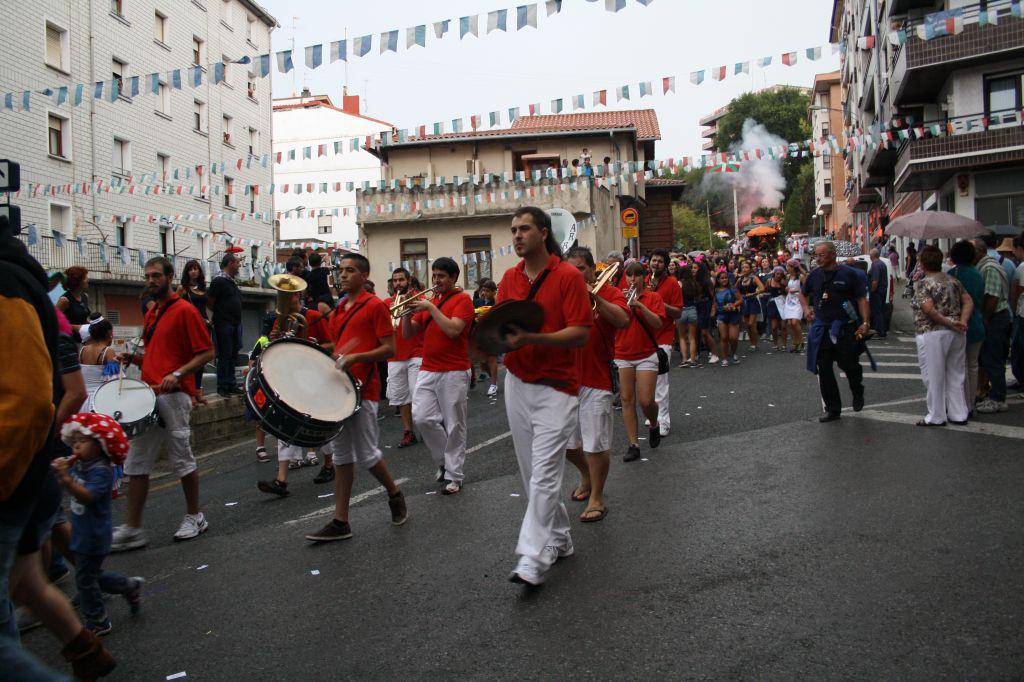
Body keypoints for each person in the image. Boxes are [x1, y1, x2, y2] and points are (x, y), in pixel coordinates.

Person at [1, 220, 116, 680]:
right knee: (25, 581)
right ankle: (85, 649)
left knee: (39, 571)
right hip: (31, 462)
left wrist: (55, 443)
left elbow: (42, 399)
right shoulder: (28, 288)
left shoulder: (8, 283)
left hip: (17, 468)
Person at [497, 207, 591, 587]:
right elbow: (502, 327)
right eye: (513, 230)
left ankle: (532, 558)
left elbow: (580, 333)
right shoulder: (509, 277)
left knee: (545, 474)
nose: (517, 236)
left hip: (557, 388)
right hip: (517, 383)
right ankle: (560, 538)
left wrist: (532, 338)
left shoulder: (568, 276)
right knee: (532, 474)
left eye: (524, 229)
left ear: (544, 232)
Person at [113, 257, 215, 551]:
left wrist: (178, 374)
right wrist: (134, 358)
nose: (151, 281)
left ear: (170, 276)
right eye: (147, 276)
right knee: (136, 462)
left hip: (175, 395)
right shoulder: (152, 313)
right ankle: (133, 529)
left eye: (156, 275)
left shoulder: (185, 310)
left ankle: (195, 516)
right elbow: (158, 357)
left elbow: (207, 352)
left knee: (182, 458)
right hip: (149, 394)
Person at [304, 254, 407, 542]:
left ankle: (395, 493)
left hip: (365, 388)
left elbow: (390, 348)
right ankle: (341, 521)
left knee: (367, 454)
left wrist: (356, 357)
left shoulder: (375, 306)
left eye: (350, 270)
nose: (343, 275)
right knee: (341, 455)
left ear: (364, 276)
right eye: (341, 270)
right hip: (340, 389)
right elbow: (336, 345)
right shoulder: (338, 309)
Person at [54, 414, 143, 635]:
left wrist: (67, 480)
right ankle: (128, 586)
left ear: (100, 444)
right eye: (74, 441)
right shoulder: (81, 464)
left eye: (82, 441)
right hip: (82, 531)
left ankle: (98, 619)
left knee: (85, 579)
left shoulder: (101, 470)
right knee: (91, 576)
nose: (76, 446)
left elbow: (88, 496)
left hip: (94, 534)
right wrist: (59, 471)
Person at [564, 247, 629, 523]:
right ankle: (586, 474)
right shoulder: (563, 294)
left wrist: (595, 298)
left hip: (596, 377)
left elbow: (623, 320)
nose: (575, 274)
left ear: (592, 269)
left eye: (580, 269)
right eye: (570, 270)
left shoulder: (609, 292)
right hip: (565, 380)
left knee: (595, 443)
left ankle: (597, 498)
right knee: (565, 443)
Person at [404, 258, 475, 494]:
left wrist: (431, 309)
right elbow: (408, 334)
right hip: (428, 368)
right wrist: (405, 313)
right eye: (434, 275)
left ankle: (454, 475)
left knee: (455, 424)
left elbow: (454, 330)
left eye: (441, 276)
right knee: (421, 418)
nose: (436, 280)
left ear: (454, 278)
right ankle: (445, 462)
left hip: (454, 370)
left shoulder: (463, 300)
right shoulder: (431, 301)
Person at [800, 241, 870, 422]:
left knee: (849, 364)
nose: (818, 259)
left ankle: (857, 389)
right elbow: (803, 294)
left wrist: (865, 322)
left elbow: (861, 298)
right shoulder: (814, 275)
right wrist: (806, 309)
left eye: (821, 255)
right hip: (823, 328)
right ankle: (833, 409)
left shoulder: (849, 274)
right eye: (816, 255)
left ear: (833, 254)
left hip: (844, 328)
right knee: (824, 369)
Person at [910, 246, 973, 426]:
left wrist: (949, 322)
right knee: (956, 374)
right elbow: (968, 301)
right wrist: (961, 321)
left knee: (933, 375)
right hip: (957, 332)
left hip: (932, 332)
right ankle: (959, 413)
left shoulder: (923, 284)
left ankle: (936, 415)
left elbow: (928, 309)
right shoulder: (953, 280)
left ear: (923, 263)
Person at [615, 262, 665, 461]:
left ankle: (654, 423)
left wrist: (639, 305)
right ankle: (633, 444)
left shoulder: (653, 297)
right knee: (627, 399)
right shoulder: (618, 297)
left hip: (646, 354)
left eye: (636, 275)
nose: (632, 279)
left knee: (646, 401)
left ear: (644, 277)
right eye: (629, 275)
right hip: (622, 353)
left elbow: (658, 323)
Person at [384, 268, 424, 449]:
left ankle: (429, 425)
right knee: (401, 398)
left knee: (418, 395)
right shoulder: (387, 303)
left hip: (416, 353)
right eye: (395, 280)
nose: (398, 283)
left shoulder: (419, 300)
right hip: (395, 357)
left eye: (401, 280)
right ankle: (409, 432)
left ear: (409, 280)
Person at [972, 237, 1012, 414]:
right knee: (989, 358)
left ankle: (998, 398)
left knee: (993, 358)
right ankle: (992, 394)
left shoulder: (989, 268)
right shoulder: (984, 266)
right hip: (995, 317)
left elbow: (992, 297)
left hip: (996, 318)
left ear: (980, 251)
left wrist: (985, 319)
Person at [647, 249, 681, 437]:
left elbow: (678, 312)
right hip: (645, 337)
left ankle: (664, 420)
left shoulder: (672, 283)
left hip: (663, 337)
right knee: (647, 381)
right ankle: (653, 414)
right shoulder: (645, 280)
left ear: (666, 265)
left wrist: (658, 301)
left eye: (660, 261)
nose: (656, 264)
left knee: (661, 381)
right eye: (654, 260)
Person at [948, 240, 986, 413]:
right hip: (977, 322)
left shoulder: (952, 274)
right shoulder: (978, 274)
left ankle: (962, 405)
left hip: (958, 324)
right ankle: (971, 404)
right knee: (973, 365)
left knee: (960, 366)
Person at [207, 253, 243, 397]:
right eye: (237, 262)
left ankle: (231, 384)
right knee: (225, 354)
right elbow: (210, 301)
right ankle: (222, 386)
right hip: (223, 323)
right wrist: (216, 317)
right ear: (230, 263)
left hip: (235, 323)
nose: (239, 265)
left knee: (233, 354)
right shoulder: (219, 281)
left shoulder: (231, 281)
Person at [179, 259, 211, 404]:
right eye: (190, 269)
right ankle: (189, 392)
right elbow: (175, 307)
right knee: (191, 359)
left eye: (196, 268)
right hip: (189, 326)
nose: (193, 271)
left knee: (202, 360)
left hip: (204, 325)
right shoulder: (183, 289)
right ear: (187, 272)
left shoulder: (203, 288)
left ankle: (198, 390)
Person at [78, 319, 119, 411]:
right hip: (99, 401)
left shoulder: (82, 350)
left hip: (82, 402)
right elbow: (113, 380)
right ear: (109, 333)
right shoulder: (108, 351)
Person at [473, 280, 501, 397]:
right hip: (480, 333)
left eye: (488, 291)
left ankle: (493, 384)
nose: (485, 293)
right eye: (484, 290)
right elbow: (472, 314)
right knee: (483, 361)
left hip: (492, 333)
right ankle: (492, 378)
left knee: (492, 358)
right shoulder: (478, 301)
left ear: (494, 292)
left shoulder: (497, 302)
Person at [711, 270, 743, 366]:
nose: (724, 279)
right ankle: (724, 358)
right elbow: (714, 303)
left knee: (733, 338)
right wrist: (713, 312)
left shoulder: (732, 288)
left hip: (733, 314)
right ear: (718, 280)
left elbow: (740, 300)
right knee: (724, 337)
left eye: (726, 278)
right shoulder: (715, 290)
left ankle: (734, 353)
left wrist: (733, 305)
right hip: (721, 315)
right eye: (722, 278)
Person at [57, 266, 91, 341]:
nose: (88, 280)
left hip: (83, 340)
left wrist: (93, 325)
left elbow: (82, 319)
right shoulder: (64, 300)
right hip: (68, 341)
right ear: (77, 281)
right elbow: (54, 322)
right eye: (85, 278)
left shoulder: (85, 296)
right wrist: (74, 327)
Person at [736, 261, 765, 351]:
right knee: (747, 325)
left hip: (753, 302)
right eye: (743, 267)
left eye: (747, 267)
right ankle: (752, 344)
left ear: (750, 269)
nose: (744, 269)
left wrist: (754, 293)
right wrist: (739, 297)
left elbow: (762, 288)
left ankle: (755, 344)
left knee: (751, 324)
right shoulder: (740, 279)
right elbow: (734, 290)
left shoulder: (754, 278)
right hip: (744, 303)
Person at [676, 264, 700, 367]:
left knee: (682, 337)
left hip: (681, 310)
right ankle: (693, 360)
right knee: (692, 337)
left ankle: (684, 360)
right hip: (692, 310)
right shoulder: (694, 283)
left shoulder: (678, 283)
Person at [782, 259, 805, 353]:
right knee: (790, 324)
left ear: (793, 267)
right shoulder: (788, 276)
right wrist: (786, 289)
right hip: (789, 301)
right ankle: (795, 343)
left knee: (795, 322)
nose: (787, 267)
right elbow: (785, 287)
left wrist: (796, 290)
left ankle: (801, 341)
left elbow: (806, 289)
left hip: (798, 301)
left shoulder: (801, 277)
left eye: (789, 266)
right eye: (787, 266)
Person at [1010, 235, 1024, 392]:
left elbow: (1019, 291)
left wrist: (1013, 310)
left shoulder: (1022, 267)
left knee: (1019, 349)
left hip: (1022, 314)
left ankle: (1021, 380)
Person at [868, 249, 889, 339]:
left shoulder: (875, 265)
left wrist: (872, 291)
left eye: (870, 255)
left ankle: (879, 332)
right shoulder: (882, 263)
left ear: (872, 256)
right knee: (881, 311)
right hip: (882, 290)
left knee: (877, 312)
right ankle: (882, 330)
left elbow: (875, 281)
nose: (869, 257)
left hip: (877, 292)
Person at [764, 267, 787, 350]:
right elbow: (765, 289)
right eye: (777, 274)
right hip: (772, 304)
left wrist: (784, 283)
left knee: (783, 326)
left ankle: (784, 345)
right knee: (774, 327)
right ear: (774, 273)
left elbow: (786, 292)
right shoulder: (769, 280)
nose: (779, 275)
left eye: (781, 274)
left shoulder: (783, 282)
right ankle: (775, 344)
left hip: (782, 304)